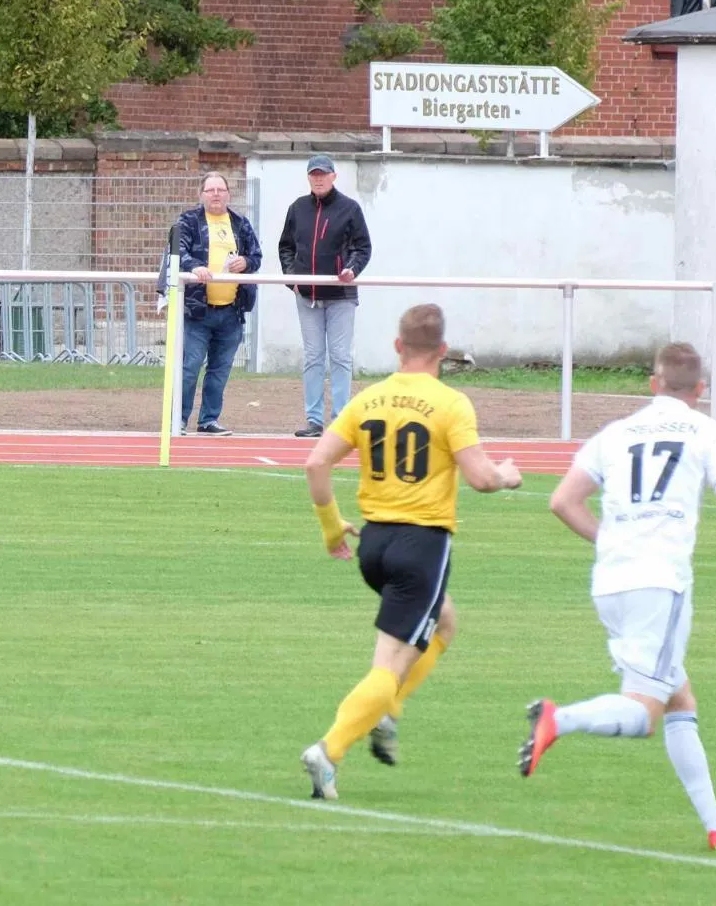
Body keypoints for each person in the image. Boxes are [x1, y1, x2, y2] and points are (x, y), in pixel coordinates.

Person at [519, 343, 716, 851]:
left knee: (679, 698)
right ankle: (558, 719)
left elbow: (562, 501)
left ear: (653, 384)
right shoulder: (705, 431)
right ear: (700, 389)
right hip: (659, 584)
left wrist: (611, 541)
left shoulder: (617, 433)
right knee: (644, 712)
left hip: (609, 583)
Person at [297, 303, 521, 800]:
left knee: (445, 622)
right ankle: (330, 750)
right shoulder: (451, 404)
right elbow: (481, 478)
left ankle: (388, 712)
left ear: (398, 346)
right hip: (421, 547)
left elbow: (316, 464)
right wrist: (506, 475)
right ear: (443, 351)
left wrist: (332, 530)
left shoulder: (368, 399)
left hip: (373, 545)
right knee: (389, 663)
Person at [277, 154, 370, 438]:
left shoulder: (350, 208)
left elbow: (363, 247)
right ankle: (314, 420)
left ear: (333, 176)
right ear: (308, 178)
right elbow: (286, 247)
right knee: (313, 357)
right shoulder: (297, 208)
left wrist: (351, 269)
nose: (318, 179)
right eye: (314, 174)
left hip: (341, 296)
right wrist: (293, 280)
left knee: (340, 356)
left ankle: (341, 420)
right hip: (307, 296)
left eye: (323, 174)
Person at [170, 172, 262, 436]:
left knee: (219, 370)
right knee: (189, 367)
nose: (216, 194)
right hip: (197, 311)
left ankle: (208, 419)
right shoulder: (188, 221)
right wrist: (194, 266)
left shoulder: (240, 224)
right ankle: (179, 419)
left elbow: (256, 256)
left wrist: (246, 262)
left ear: (228, 194)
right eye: (210, 190)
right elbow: (178, 252)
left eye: (220, 189)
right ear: (201, 194)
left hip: (231, 311)